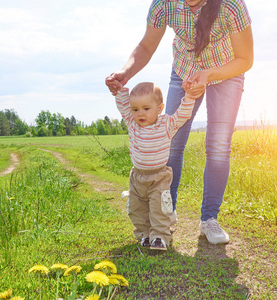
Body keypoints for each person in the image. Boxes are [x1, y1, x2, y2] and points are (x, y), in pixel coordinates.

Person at [106, 0, 253, 245]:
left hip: (226, 72)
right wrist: (125, 73)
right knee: (171, 140)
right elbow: (146, 45)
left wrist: (208, 74)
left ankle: (209, 219)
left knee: (218, 147)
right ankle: (166, 212)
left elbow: (245, 59)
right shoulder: (163, 4)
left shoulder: (231, 5)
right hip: (184, 70)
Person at [114, 81, 196, 250]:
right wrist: (119, 89)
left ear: (159, 109)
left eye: (146, 108)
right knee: (137, 209)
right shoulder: (132, 124)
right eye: (135, 109)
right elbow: (123, 107)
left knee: (159, 209)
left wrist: (189, 96)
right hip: (137, 177)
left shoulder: (166, 124)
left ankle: (159, 237)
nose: (140, 113)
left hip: (159, 176)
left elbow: (183, 114)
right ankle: (144, 235)